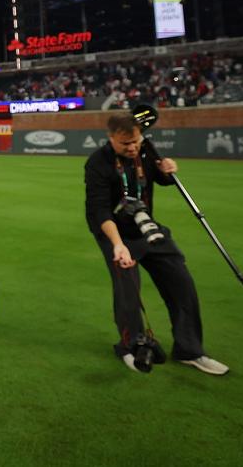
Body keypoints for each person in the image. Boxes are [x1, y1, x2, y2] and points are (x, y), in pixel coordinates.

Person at [84, 113, 228, 376]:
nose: (132, 147)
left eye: (135, 141)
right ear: (111, 138)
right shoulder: (97, 163)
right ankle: (131, 348)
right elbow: (99, 211)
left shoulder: (146, 151)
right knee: (128, 293)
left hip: (147, 227)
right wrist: (117, 245)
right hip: (116, 234)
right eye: (125, 143)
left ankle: (190, 350)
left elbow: (162, 179)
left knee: (182, 283)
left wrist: (168, 168)